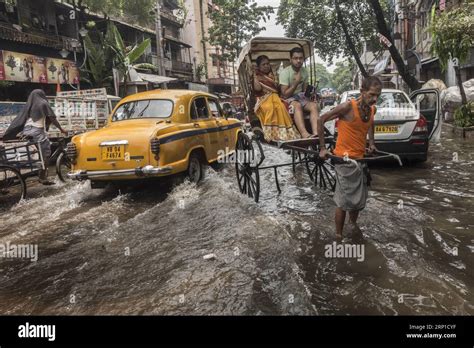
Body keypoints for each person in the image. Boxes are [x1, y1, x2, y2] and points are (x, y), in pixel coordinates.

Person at [317, 76, 382, 239]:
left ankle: (352, 227)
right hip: (343, 160)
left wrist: (371, 143)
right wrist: (323, 148)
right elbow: (321, 119)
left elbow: (371, 123)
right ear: (362, 92)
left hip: (360, 160)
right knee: (343, 201)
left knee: (358, 200)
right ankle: (338, 235)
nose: (374, 99)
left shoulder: (372, 109)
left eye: (377, 96)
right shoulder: (347, 107)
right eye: (371, 95)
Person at [3, 89, 68, 185]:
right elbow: (52, 118)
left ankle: (34, 170)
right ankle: (42, 177)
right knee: (45, 153)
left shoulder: (29, 105)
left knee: (32, 152)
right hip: (37, 130)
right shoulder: (43, 103)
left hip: (26, 130)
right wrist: (61, 129)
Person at [253, 55, 300, 142]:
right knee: (270, 108)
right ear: (259, 66)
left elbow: (278, 89)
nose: (266, 66)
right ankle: (271, 135)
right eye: (263, 64)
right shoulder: (257, 76)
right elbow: (258, 89)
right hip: (263, 99)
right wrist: (254, 77)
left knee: (281, 107)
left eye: (267, 64)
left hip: (276, 98)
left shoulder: (273, 75)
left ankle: (283, 134)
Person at [279, 47, 320, 138]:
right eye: (295, 58)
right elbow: (285, 94)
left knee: (314, 106)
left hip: (300, 97)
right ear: (290, 59)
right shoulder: (285, 73)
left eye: (300, 58)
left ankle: (316, 133)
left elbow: (304, 92)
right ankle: (304, 133)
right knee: (297, 105)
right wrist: (295, 83)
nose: (298, 61)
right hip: (287, 99)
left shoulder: (304, 71)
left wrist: (311, 93)